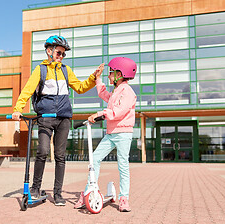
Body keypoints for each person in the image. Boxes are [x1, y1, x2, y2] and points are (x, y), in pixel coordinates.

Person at [12, 35, 104, 206]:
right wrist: (18, 109)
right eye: (59, 52)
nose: (61, 56)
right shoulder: (40, 70)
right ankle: (35, 188)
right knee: (43, 151)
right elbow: (27, 91)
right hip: (45, 118)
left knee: (60, 156)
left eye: (63, 54)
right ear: (49, 51)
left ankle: (58, 193)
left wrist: (93, 77)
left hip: (63, 119)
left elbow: (80, 87)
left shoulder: (66, 70)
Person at [74, 57, 137, 212]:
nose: (109, 75)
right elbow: (104, 95)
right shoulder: (116, 91)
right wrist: (98, 78)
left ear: (120, 74)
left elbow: (118, 111)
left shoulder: (128, 92)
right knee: (94, 159)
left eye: (111, 73)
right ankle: (89, 191)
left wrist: (99, 114)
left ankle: (124, 198)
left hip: (123, 134)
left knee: (123, 165)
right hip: (111, 133)